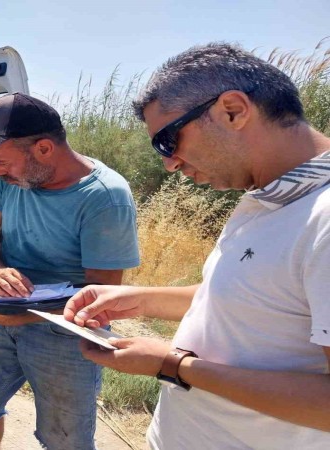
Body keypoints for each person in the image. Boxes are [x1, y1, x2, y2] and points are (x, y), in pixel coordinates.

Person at [64, 42, 330, 449]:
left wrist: (173, 365)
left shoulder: (322, 215)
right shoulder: (266, 197)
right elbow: (251, 298)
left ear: (233, 110)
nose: (169, 163)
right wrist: (138, 299)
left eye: (168, 140)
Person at [0, 92, 140, 450]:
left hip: (65, 332)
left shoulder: (104, 197)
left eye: (0, 161)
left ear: (43, 149)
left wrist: (19, 315)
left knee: (64, 436)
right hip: (3, 315)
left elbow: (101, 297)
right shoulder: (9, 183)